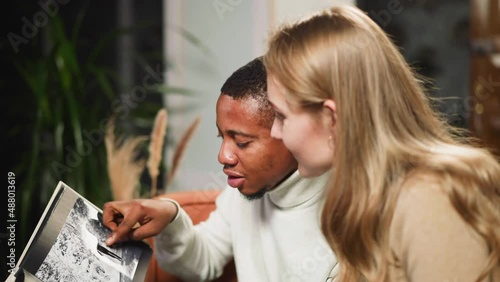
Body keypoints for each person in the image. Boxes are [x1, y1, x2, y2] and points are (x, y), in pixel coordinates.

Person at [263, 5, 500, 282]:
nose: (275, 132)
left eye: (281, 116)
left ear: (332, 118)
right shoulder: (368, 197)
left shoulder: (429, 199)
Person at [102, 57, 338, 281]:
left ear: (288, 128)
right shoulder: (243, 194)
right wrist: (171, 217)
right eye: (221, 136)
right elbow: (203, 260)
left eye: (242, 142)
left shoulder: (354, 213)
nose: (223, 156)